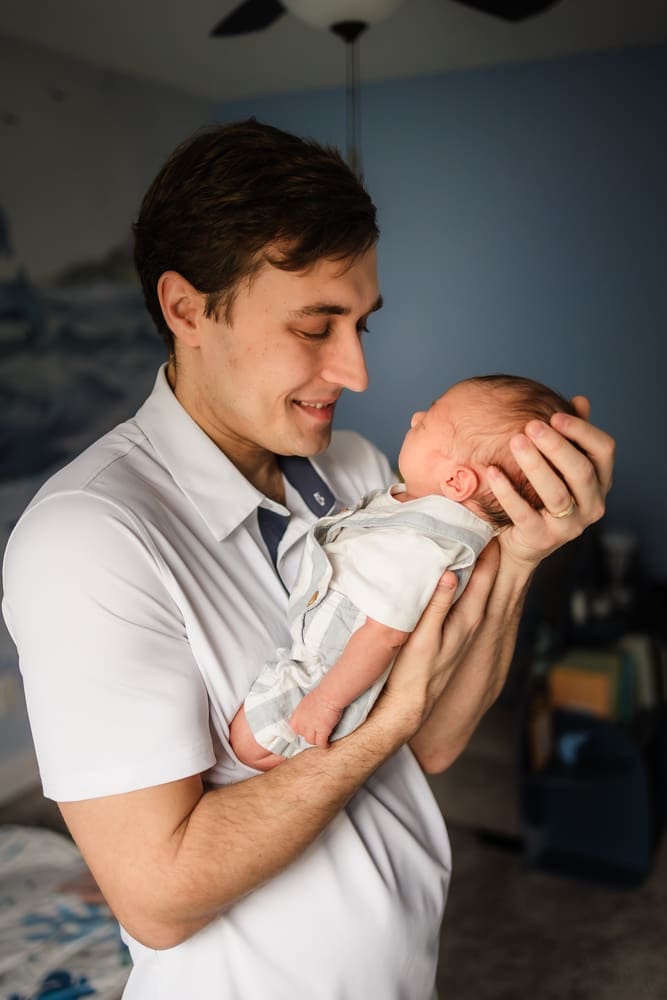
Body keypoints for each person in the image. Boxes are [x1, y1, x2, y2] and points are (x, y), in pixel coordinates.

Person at [1, 119, 614, 1000]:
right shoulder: (90, 539)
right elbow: (158, 902)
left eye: (361, 321)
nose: (359, 371)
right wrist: (380, 724)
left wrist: (518, 559)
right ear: (185, 309)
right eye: (316, 324)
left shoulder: (357, 471)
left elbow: (437, 743)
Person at [230, 374, 579, 768]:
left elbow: (384, 634)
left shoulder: (420, 547)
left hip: (330, 673)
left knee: (246, 743)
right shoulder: (420, 512)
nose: (414, 418)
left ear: (457, 481)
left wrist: (326, 701)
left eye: (428, 422)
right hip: (324, 661)